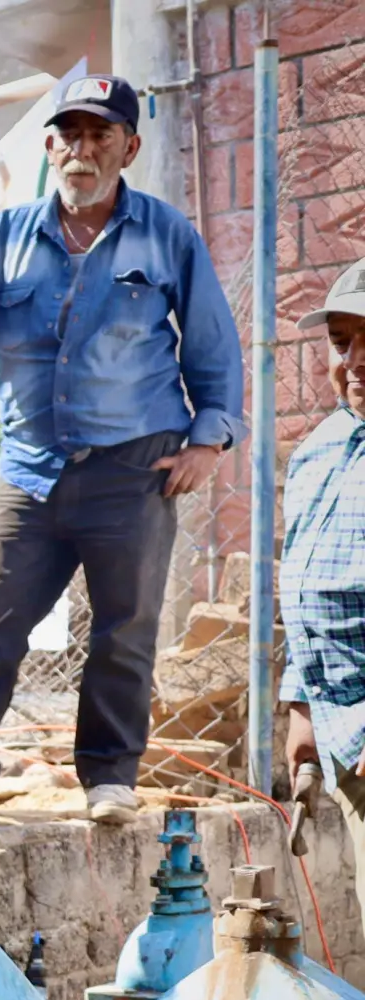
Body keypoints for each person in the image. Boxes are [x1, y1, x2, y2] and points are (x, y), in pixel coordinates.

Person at [0, 73, 242, 824]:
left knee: (123, 627)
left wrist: (210, 439)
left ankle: (108, 775)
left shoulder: (166, 234)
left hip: (135, 465)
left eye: (101, 135)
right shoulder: (2, 234)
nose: (83, 149)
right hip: (31, 468)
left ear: (128, 147)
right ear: (48, 145)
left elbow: (213, 350)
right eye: (70, 134)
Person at [277, 259, 365, 918]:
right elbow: (304, 584)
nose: (354, 360)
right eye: (342, 340)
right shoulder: (317, 452)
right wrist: (301, 711)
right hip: (347, 739)